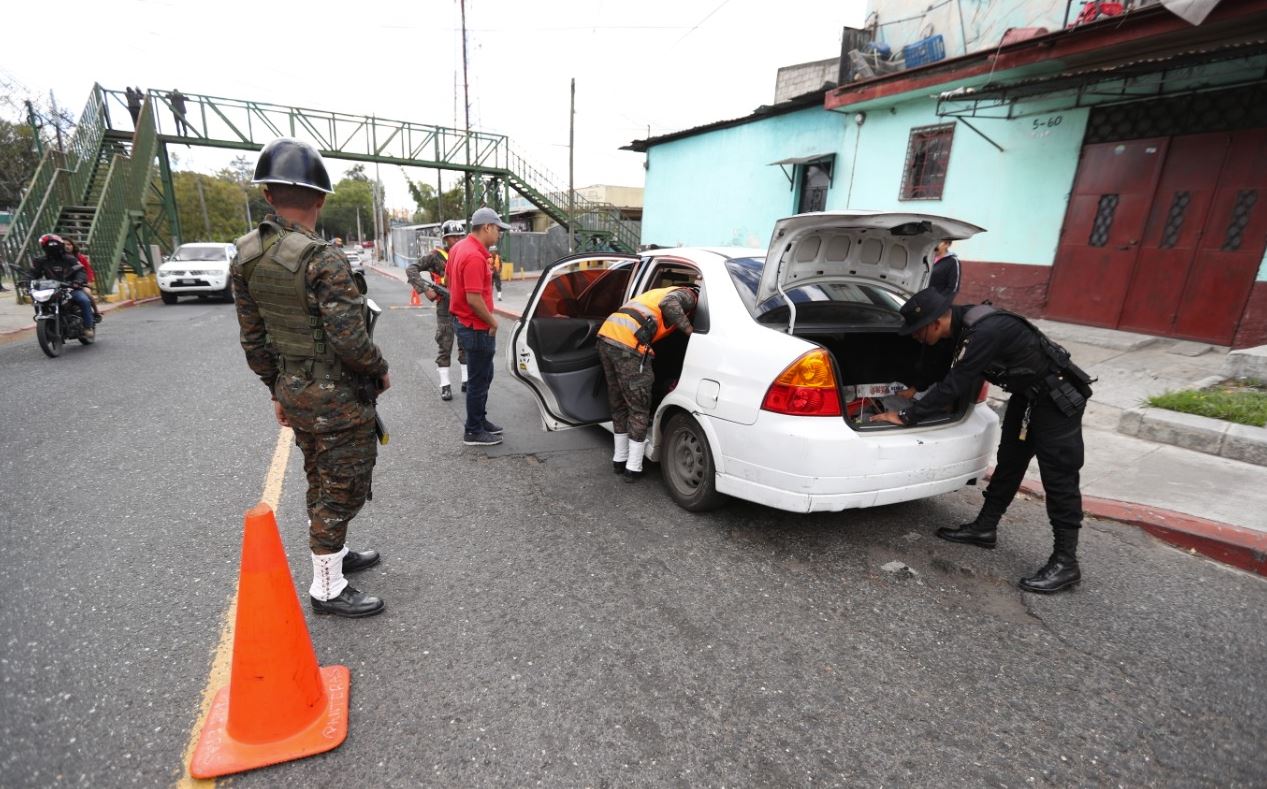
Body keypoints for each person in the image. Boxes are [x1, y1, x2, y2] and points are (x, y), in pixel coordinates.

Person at [230, 137, 390, 619]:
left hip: (295, 392)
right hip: (337, 397)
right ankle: (328, 587)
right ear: (320, 198)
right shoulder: (324, 259)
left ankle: (334, 555)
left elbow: (253, 340)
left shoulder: (246, 255)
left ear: (267, 195)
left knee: (319, 474)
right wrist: (380, 369)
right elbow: (351, 341)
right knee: (343, 485)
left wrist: (276, 389)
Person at [871, 287, 1094, 594]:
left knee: (1060, 479)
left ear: (934, 323)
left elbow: (958, 380)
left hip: (1056, 400)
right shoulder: (959, 327)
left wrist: (908, 416)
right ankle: (985, 528)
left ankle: (1066, 563)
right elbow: (942, 364)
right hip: (1028, 397)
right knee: (1010, 463)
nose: (915, 338)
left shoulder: (984, 331)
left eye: (917, 332)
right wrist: (916, 388)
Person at [596, 285, 699, 481]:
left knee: (618, 403)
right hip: (627, 347)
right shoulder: (690, 294)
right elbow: (669, 304)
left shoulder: (657, 292)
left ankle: (620, 460)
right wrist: (691, 333)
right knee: (639, 407)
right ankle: (633, 468)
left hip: (606, 338)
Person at [448, 206, 510, 446]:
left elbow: (453, 282)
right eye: (498, 229)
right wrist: (493, 322)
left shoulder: (458, 248)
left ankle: (479, 420)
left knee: (484, 375)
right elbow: (474, 299)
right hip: (476, 325)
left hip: (465, 322)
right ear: (487, 227)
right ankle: (473, 430)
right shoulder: (474, 255)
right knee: (479, 378)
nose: (500, 234)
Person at [406, 221, 468, 401]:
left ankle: (466, 380)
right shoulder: (435, 256)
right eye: (452, 237)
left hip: (464, 304)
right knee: (445, 342)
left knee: (465, 342)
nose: (456, 240)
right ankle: (445, 385)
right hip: (445, 304)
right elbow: (411, 269)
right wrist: (425, 289)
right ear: (445, 238)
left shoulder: (465, 254)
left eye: (459, 236)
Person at [30, 234, 94, 338]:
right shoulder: (41, 261)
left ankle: (88, 326)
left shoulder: (70, 258)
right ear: (44, 247)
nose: (52, 249)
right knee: (38, 302)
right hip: (51, 289)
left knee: (84, 300)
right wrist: (26, 280)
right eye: (49, 246)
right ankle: (48, 328)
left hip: (70, 288)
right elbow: (33, 273)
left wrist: (77, 281)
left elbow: (81, 271)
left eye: (55, 246)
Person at [63, 239, 102, 322]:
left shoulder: (80, 257)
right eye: (64, 244)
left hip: (80, 283)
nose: (67, 246)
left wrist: (89, 281)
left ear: (73, 246)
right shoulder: (59, 258)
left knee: (87, 293)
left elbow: (88, 270)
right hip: (65, 284)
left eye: (69, 244)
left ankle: (96, 311)